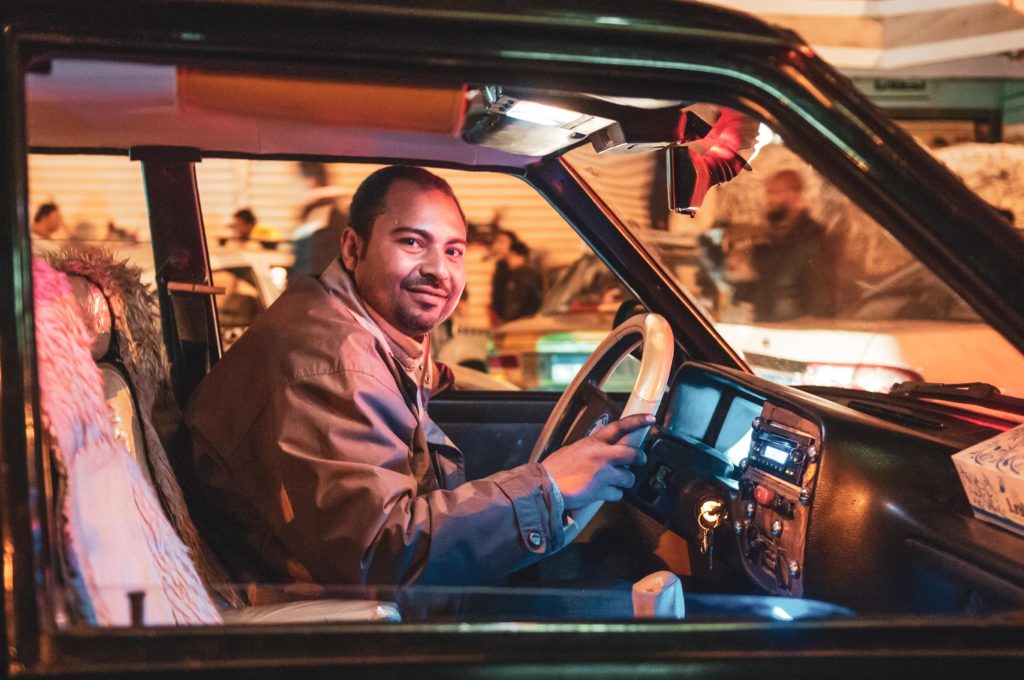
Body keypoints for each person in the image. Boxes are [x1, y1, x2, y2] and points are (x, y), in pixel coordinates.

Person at [186, 165, 653, 588]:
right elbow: (381, 552)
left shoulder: (361, 325)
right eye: (411, 242)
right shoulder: (330, 364)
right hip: (322, 621)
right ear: (353, 247)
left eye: (453, 251)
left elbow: (407, 375)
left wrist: (466, 382)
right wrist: (547, 485)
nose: (437, 270)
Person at [747, 169, 835, 322]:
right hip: (767, 330)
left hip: (794, 331)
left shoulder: (811, 238)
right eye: (768, 193)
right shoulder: (771, 237)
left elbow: (820, 295)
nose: (769, 200)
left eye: (776, 193)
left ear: (795, 195)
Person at [290, 161, 347, 279]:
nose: (293, 187)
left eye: (297, 180)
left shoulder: (327, 218)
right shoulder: (312, 214)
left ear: (311, 181)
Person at [494, 241, 542, 323]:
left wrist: (507, 320)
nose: (508, 261)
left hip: (520, 323)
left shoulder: (522, 276)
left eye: (510, 257)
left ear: (518, 256)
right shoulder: (527, 274)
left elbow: (516, 302)